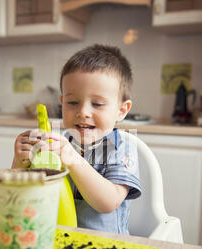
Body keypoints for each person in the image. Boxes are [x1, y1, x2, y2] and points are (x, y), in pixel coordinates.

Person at [12, 44, 142, 234]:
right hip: (57, 238)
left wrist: (73, 160)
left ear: (121, 110)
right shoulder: (59, 144)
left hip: (106, 246)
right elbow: (23, 192)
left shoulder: (121, 148)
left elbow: (108, 203)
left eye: (97, 104)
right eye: (73, 102)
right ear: (62, 102)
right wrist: (20, 163)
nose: (83, 112)